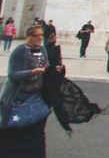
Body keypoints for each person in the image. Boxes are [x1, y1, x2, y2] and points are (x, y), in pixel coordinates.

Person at [0, 24, 63, 154]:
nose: (40, 38)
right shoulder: (19, 51)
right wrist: (32, 72)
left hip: (36, 98)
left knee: (36, 133)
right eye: (36, 35)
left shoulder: (42, 50)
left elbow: (45, 68)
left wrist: (54, 70)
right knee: (13, 131)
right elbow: (12, 76)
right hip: (18, 98)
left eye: (41, 35)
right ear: (28, 36)